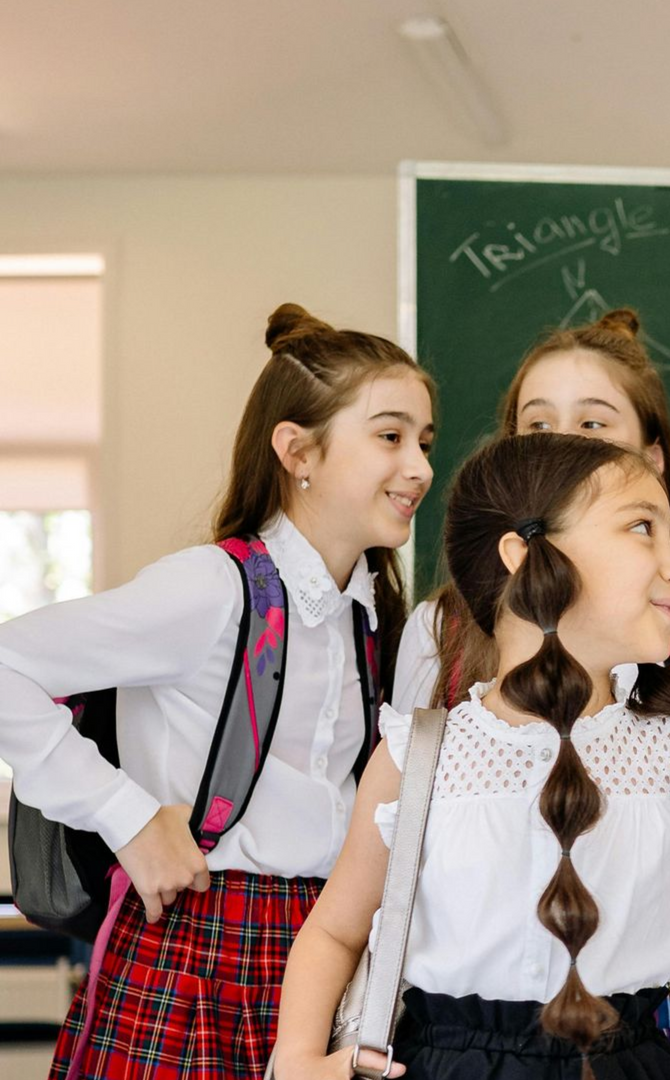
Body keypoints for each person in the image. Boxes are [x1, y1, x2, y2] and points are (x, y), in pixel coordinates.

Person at [271, 435, 670, 1080]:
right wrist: (295, 1059)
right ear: (524, 557)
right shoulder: (420, 756)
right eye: (641, 529)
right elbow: (335, 931)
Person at [0, 305, 435, 1079]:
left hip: (323, 957)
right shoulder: (212, 589)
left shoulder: (369, 619)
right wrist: (125, 818)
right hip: (198, 952)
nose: (420, 469)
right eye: (391, 436)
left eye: (424, 443)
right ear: (298, 450)